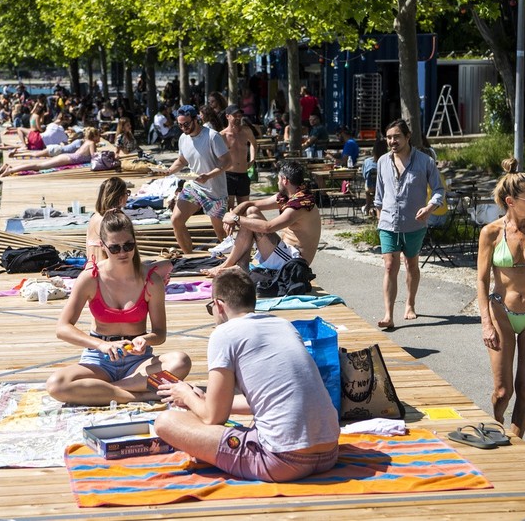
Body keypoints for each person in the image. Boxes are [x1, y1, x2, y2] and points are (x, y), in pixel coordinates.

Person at [153, 268, 340, 482]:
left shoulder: (224, 334)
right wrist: (205, 400)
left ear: (219, 305)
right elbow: (272, 397)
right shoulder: (282, 324)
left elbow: (213, 417)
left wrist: (185, 394)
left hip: (281, 460)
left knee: (166, 421)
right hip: (328, 453)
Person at [46, 210, 191, 405]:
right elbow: (63, 328)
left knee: (181, 361)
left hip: (137, 362)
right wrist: (102, 345)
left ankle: (108, 391)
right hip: (99, 359)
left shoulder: (151, 281)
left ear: (135, 242)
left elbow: (159, 333)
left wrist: (144, 339)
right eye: (115, 248)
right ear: (103, 246)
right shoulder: (90, 278)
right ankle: (137, 394)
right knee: (56, 384)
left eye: (128, 246)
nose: (123, 253)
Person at [477, 158, 525, 438]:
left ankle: (515, 441)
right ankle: (496, 426)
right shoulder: (491, 233)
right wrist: (486, 323)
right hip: (501, 314)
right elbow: (482, 280)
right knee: (502, 391)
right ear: (511, 201)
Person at [373, 119, 445, 330]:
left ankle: (410, 303)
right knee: (389, 266)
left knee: (411, 264)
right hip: (388, 223)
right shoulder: (382, 162)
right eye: (388, 138)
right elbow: (379, 195)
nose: (392, 141)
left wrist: (430, 208)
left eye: (396, 136)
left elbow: (439, 189)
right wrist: (379, 218)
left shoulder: (425, 162)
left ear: (407, 137)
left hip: (415, 224)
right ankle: (388, 315)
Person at [203, 161, 321, 276]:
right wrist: (233, 214)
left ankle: (227, 265)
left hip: (293, 262)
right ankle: (241, 265)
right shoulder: (290, 196)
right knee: (251, 212)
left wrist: (234, 218)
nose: (277, 182)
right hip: (284, 252)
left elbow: (268, 227)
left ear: (285, 180)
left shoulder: (300, 205)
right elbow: (250, 204)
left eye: (279, 179)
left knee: (252, 219)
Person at [164, 105, 232, 253]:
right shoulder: (183, 138)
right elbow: (182, 161)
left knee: (221, 233)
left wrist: (208, 175)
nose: (183, 128)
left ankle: (234, 261)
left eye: (186, 124)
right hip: (194, 187)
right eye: (180, 125)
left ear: (196, 119)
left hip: (215, 191)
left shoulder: (212, 136)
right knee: (176, 220)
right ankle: (189, 256)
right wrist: (168, 171)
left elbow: (227, 161)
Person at [0, 127, 99, 177]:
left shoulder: (86, 142)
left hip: (67, 156)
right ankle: (10, 171)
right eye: (99, 135)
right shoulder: (91, 143)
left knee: (38, 165)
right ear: (94, 136)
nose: (100, 138)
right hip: (68, 158)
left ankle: (10, 167)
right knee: (38, 166)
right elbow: (95, 159)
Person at [221, 105, 258, 208]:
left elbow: (254, 144)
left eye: (239, 115)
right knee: (230, 208)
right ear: (227, 116)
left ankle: (243, 224)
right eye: (235, 115)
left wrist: (252, 160)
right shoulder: (222, 135)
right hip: (228, 175)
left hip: (243, 174)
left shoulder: (246, 131)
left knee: (244, 208)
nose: (238, 117)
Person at [362, 138, 389, 217]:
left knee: (368, 187)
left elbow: (364, 175)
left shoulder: (367, 161)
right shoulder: (388, 161)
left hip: (371, 187)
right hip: (384, 188)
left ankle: (368, 207)